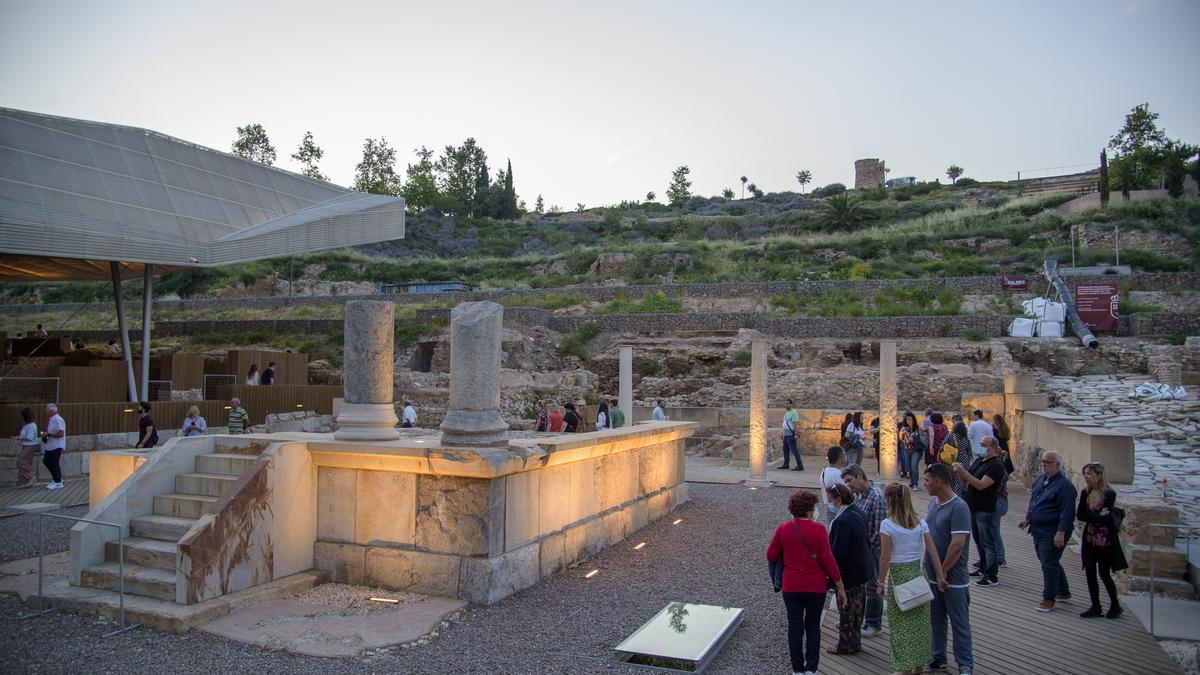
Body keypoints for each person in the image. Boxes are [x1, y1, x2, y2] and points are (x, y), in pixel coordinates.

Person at [766, 490, 847, 675]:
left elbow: (771, 555)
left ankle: (797, 669)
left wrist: (777, 575)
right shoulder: (819, 530)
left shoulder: (784, 528)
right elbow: (828, 559)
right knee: (812, 626)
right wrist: (840, 586)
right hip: (815, 586)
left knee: (794, 626)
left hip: (791, 585)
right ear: (811, 510)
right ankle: (811, 668)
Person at [878, 483, 943, 675]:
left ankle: (904, 667)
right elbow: (932, 550)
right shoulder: (920, 522)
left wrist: (881, 582)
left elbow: (885, 556)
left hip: (899, 578)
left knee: (900, 625)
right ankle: (918, 667)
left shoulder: (887, 525)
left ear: (889, 500)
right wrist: (939, 575)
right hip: (917, 575)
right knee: (920, 625)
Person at [923, 463, 974, 675]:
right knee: (936, 619)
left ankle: (965, 663)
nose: (924, 484)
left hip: (953, 577)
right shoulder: (933, 504)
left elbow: (957, 544)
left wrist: (942, 571)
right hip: (934, 574)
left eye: (927, 480)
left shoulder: (959, 507)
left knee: (959, 621)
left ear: (939, 482)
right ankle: (938, 657)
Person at [1019, 450, 1078, 612]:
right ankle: (1063, 591)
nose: (1044, 465)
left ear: (1058, 465)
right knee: (1048, 560)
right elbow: (1034, 501)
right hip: (1037, 529)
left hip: (1052, 530)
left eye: (1048, 462)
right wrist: (1028, 519)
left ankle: (1048, 598)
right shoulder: (1040, 480)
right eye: (1043, 462)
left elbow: (1067, 513)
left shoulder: (1065, 486)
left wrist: (1061, 532)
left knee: (1049, 563)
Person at [953, 436, 1006, 588]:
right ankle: (983, 567)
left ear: (993, 448)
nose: (981, 447)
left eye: (984, 445)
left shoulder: (996, 466)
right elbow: (968, 479)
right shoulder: (979, 461)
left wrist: (964, 473)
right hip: (973, 506)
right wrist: (960, 472)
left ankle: (991, 574)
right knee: (978, 540)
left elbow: (981, 485)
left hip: (985, 508)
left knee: (988, 542)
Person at [1077, 462, 1128, 619]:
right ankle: (1095, 606)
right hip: (1090, 538)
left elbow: (1106, 518)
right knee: (1090, 572)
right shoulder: (1086, 493)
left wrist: (1094, 517)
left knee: (1104, 573)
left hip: (1105, 541)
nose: (1086, 476)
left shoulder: (1109, 494)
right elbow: (1080, 515)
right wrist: (1097, 516)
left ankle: (1115, 605)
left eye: (1090, 473)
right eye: (1085, 473)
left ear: (1099, 476)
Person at [841, 464, 886, 639]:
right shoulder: (859, 495)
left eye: (850, 480)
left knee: (873, 586)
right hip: (861, 551)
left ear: (860, 476)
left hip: (871, 551)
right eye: (846, 482)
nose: (848, 485)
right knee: (862, 586)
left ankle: (874, 623)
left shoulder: (876, 497)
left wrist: (864, 553)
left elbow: (878, 531)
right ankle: (859, 619)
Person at [827, 483, 871, 656]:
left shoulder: (842, 520)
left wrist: (836, 578)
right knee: (857, 609)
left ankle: (845, 645)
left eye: (831, 499)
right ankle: (855, 641)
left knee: (846, 609)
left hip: (849, 572)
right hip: (861, 568)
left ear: (839, 499)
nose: (830, 502)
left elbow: (839, 551)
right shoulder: (857, 512)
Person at [942, 421, 973, 497]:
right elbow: (969, 452)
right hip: (963, 461)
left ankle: (952, 496)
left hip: (951, 460)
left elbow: (943, 446)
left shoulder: (950, 436)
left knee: (952, 479)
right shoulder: (966, 438)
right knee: (961, 480)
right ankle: (959, 496)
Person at [11, 407, 39, 487]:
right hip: (26, 445)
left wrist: (18, 438)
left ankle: (30, 477)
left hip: (30, 446)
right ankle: (25, 481)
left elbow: (29, 437)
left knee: (20, 461)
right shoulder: (27, 425)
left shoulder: (31, 426)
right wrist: (18, 439)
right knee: (27, 462)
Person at [40, 403, 66, 490]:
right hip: (50, 445)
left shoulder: (58, 420)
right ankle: (56, 478)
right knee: (46, 461)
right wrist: (45, 436)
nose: (45, 412)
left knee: (54, 463)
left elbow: (61, 433)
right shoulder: (51, 419)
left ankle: (58, 482)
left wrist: (49, 434)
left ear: (51, 411)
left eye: (46, 410)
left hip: (57, 445)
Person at [820, 446, 847, 522]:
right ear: (840, 457)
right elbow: (844, 494)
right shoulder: (838, 475)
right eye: (844, 456)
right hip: (838, 510)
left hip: (829, 507)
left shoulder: (824, 471)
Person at [899, 412, 924, 488]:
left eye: (910, 419)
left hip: (916, 450)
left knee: (914, 465)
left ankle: (915, 484)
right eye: (907, 419)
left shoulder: (917, 428)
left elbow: (922, 439)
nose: (908, 421)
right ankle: (912, 482)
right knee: (910, 467)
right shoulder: (904, 428)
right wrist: (901, 433)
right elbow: (901, 438)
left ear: (914, 420)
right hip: (907, 449)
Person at [781, 399, 803, 471]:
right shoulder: (787, 412)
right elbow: (785, 423)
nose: (785, 405)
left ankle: (800, 466)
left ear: (791, 404)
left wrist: (796, 434)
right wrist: (783, 433)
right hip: (786, 434)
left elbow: (795, 424)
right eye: (785, 403)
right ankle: (786, 464)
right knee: (785, 449)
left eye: (787, 403)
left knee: (794, 450)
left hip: (791, 434)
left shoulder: (793, 413)